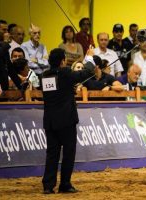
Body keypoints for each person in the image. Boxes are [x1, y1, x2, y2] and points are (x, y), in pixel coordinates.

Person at [41, 48, 95, 194]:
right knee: (68, 153)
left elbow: (56, 91)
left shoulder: (45, 75)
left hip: (51, 121)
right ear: (62, 61)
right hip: (66, 121)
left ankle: (48, 185)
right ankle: (65, 184)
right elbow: (85, 73)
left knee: (52, 153)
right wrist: (89, 57)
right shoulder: (64, 73)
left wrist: (69, 88)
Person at [0, 20, 22, 91]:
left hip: (4, 87)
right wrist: (5, 42)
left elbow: (10, 68)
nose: (6, 33)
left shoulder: (4, 46)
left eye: (7, 30)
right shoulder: (4, 45)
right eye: (4, 30)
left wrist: (21, 85)